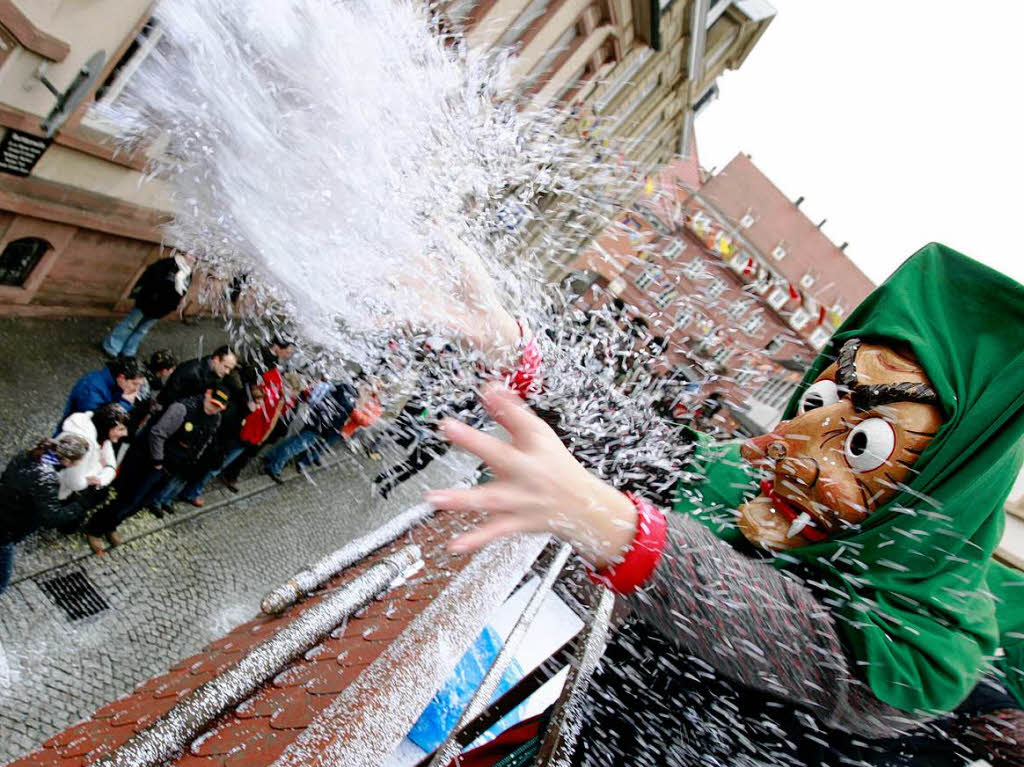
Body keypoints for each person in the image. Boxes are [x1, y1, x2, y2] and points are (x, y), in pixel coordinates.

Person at [431, 245, 1024, 766]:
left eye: (862, 445)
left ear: (943, 483)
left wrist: (612, 524)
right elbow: (642, 446)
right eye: (816, 399)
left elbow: (787, 634)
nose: (778, 449)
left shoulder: (922, 639)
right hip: (572, 739)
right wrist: (515, 351)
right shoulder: (754, 492)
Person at [83, 388, 230, 554]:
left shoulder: (215, 418)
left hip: (173, 466)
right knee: (129, 498)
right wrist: (158, 461)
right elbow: (158, 433)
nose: (213, 408)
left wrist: (190, 461)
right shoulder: (182, 408)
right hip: (152, 462)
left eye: (218, 407)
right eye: (213, 403)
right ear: (208, 394)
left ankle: (112, 525)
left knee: (143, 502)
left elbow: (204, 441)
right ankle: (95, 528)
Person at [0, 434, 90, 594]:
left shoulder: (27, 454)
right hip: (6, 530)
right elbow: (53, 517)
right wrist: (83, 504)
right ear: (67, 461)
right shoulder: (46, 478)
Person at [101, 252, 194, 358]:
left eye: (195, 257)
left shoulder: (188, 272)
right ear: (183, 253)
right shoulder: (166, 263)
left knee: (142, 329)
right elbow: (150, 280)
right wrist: (153, 295)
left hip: (163, 308)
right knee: (130, 324)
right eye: (190, 255)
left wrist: (180, 301)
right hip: (148, 301)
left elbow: (184, 289)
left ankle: (128, 350)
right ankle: (112, 346)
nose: (193, 259)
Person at [262, 379, 357, 481]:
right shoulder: (348, 404)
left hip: (313, 421)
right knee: (295, 447)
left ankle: (271, 456)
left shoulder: (334, 392)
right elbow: (338, 422)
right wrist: (328, 431)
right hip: (320, 428)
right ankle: (274, 468)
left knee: (294, 441)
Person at [57, 404, 130, 502]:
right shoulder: (82, 444)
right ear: (107, 425)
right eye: (121, 429)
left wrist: (101, 479)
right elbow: (75, 483)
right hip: (55, 493)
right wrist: (99, 466)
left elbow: (111, 465)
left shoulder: (102, 437)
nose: (125, 434)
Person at [60, 356, 146, 428]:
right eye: (134, 384)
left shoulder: (116, 385)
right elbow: (95, 421)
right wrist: (124, 404)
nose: (136, 390)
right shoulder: (92, 388)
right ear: (121, 377)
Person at [157, 345, 237, 409]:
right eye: (226, 367)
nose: (227, 372)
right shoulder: (190, 371)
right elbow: (169, 395)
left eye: (230, 369)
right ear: (216, 359)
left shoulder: (216, 373)